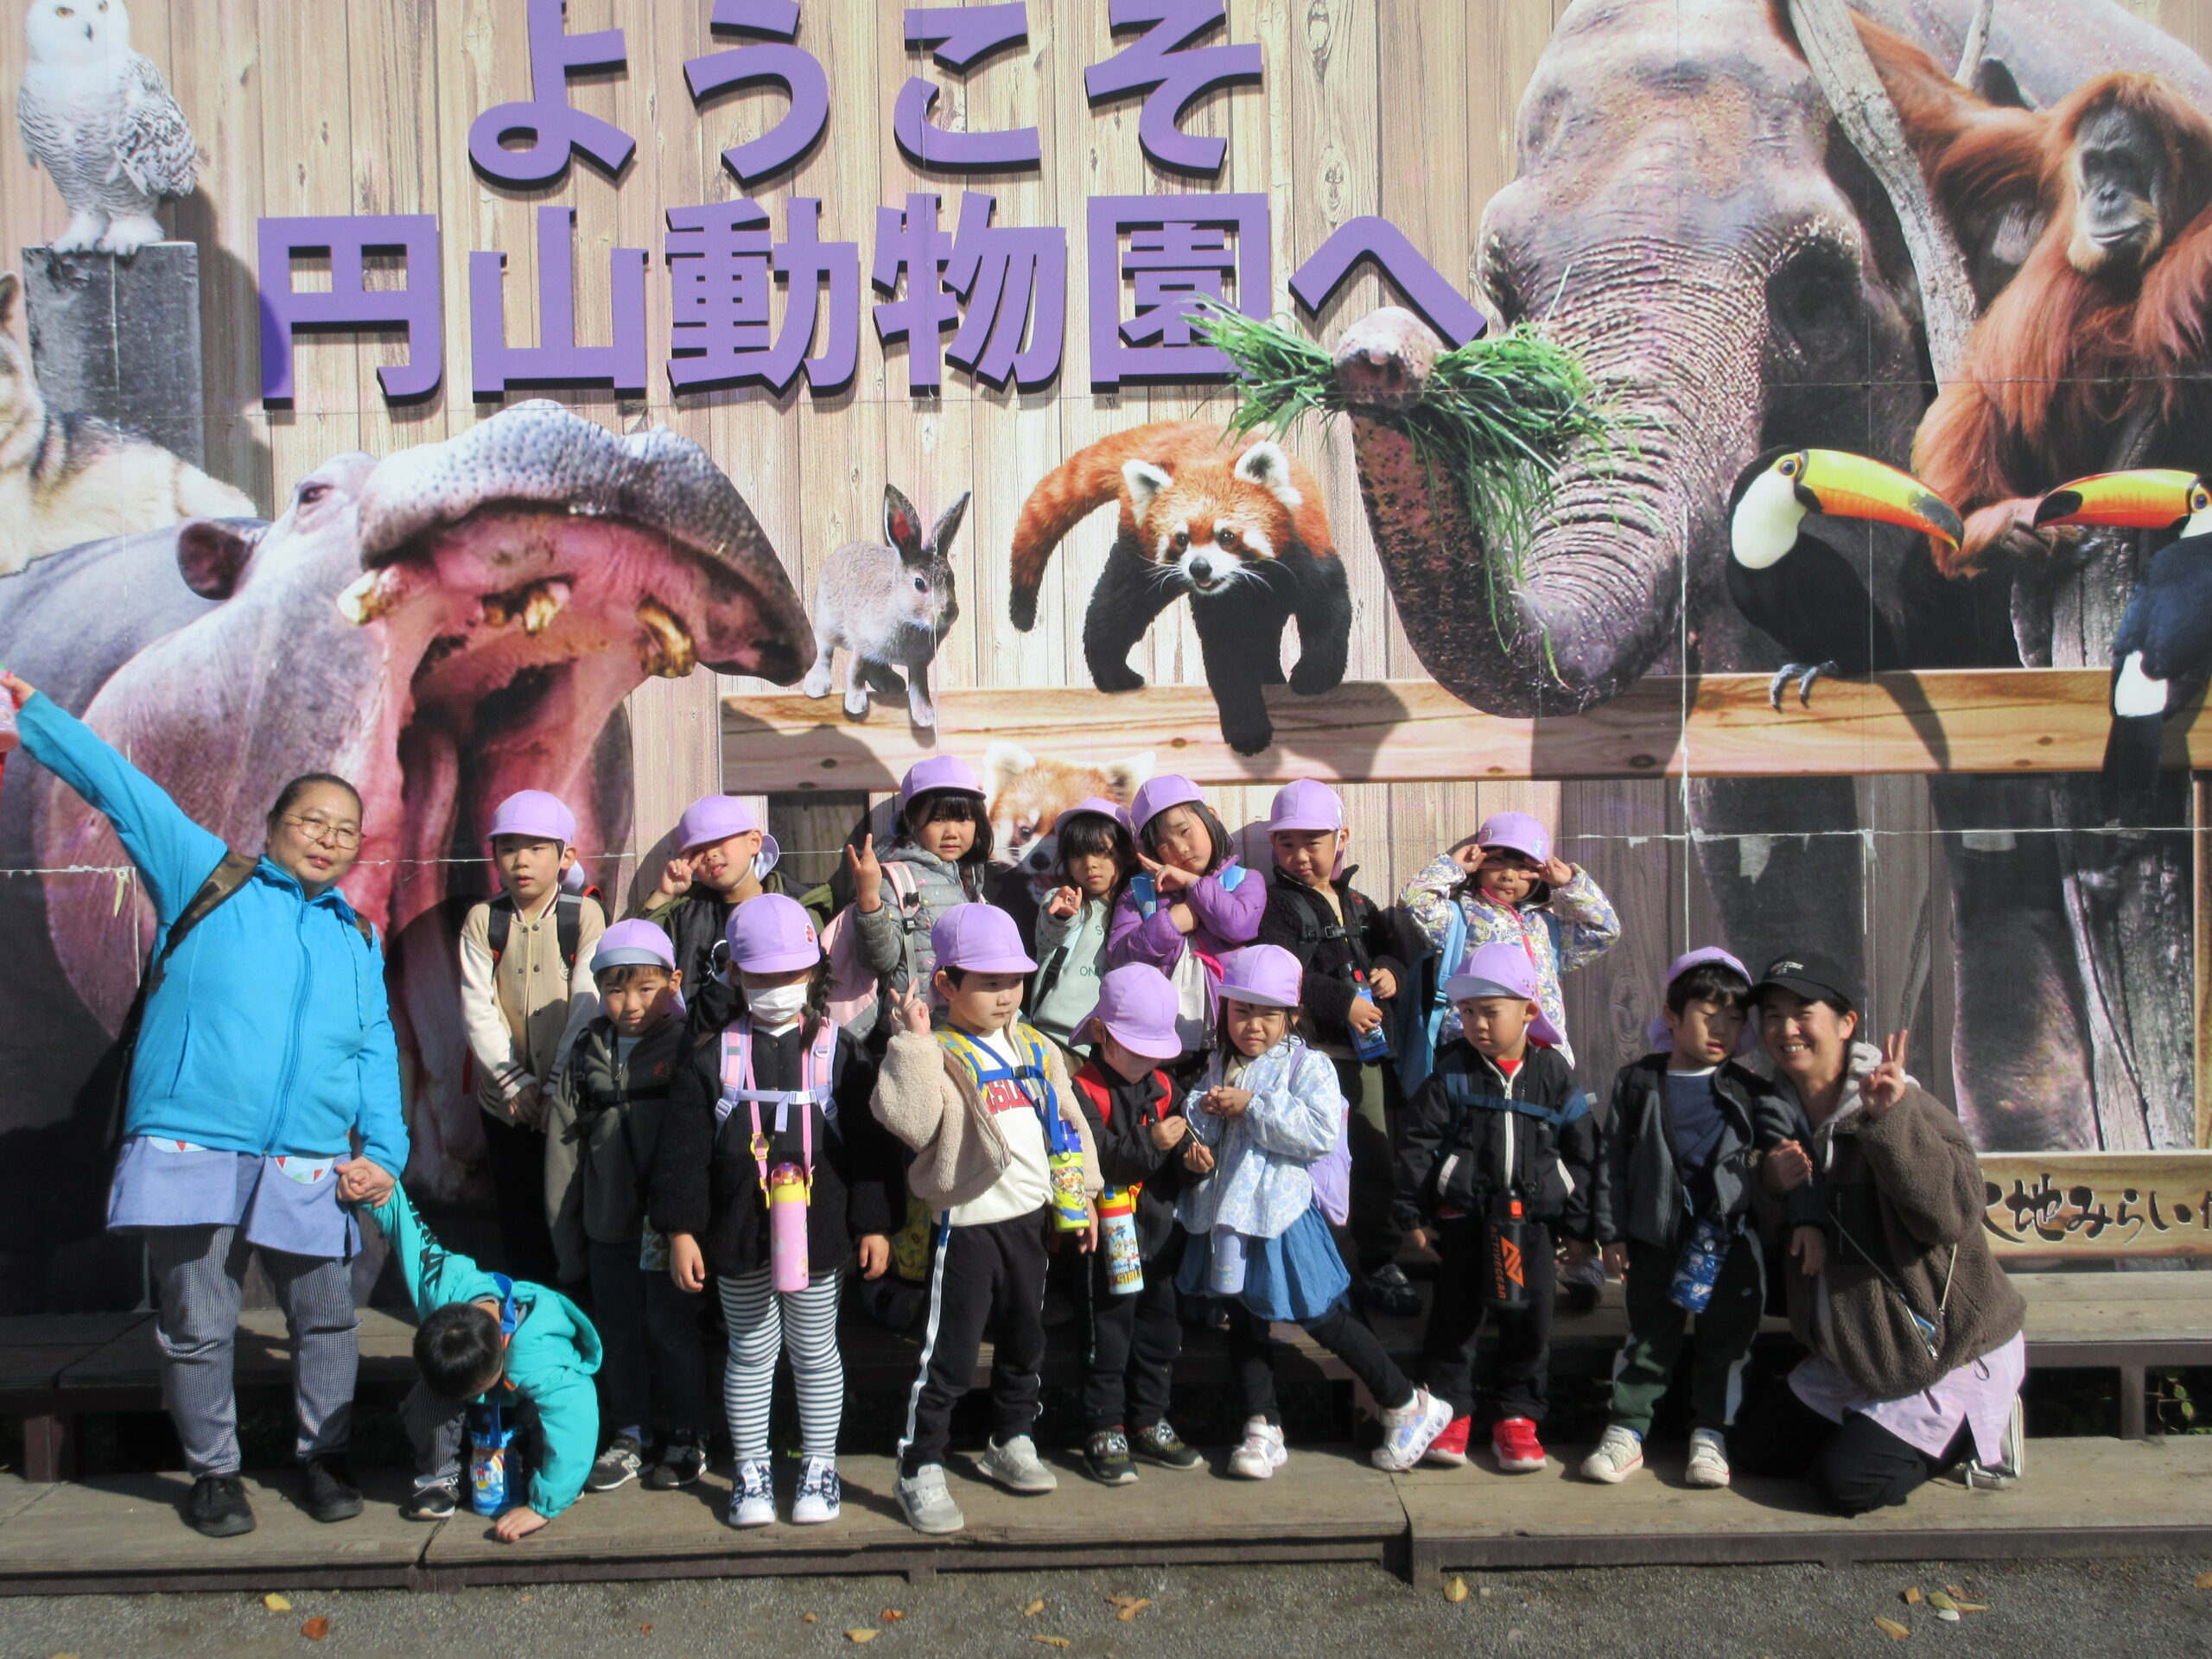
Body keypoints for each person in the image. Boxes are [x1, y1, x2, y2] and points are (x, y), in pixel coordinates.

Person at [1, 670, 404, 1540]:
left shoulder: (355, 935)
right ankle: (216, 1474)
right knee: (195, 1318)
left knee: (326, 1316)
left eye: (345, 831)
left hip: (309, 1153)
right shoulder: (203, 874)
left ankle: (321, 1456)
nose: (329, 841)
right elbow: (121, 785)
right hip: (192, 1141)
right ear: (272, 826)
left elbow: (375, 1045)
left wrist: (389, 1150)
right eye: (311, 823)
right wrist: (33, 715)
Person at [1731, 953, 2028, 1515]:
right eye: (1771, 1015)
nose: (1785, 1028)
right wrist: (1770, 1184)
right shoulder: (1775, 1116)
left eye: (1802, 1011)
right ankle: (1875, 1422)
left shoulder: (1901, 1102)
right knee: (1755, 1449)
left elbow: (1950, 1218)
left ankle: (1979, 1427)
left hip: (1947, 1346)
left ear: (1846, 1023)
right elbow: (1781, 1246)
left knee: (1845, 1485)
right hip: (1860, 1346)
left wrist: (1892, 1127)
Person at [653, 895, 899, 1529]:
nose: (775, 989)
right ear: (733, 973)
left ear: (814, 973)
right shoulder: (712, 1057)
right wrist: (681, 1231)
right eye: (759, 976)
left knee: (816, 1352)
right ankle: (752, 1469)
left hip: (820, 1236)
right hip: (735, 1237)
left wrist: (873, 1222)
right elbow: (680, 1156)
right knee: (750, 1352)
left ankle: (820, 1465)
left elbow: (870, 1147)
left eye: (789, 975)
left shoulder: (837, 1050)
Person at [1177, 944, 1453, 1481]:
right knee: (1246, 1317)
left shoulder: (1310, 1065)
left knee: (1320, 1313)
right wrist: (1198, 1133)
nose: (1252, 1025)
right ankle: (1262, 1425)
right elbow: (1199, 1123)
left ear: (1292, 1017)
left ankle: (1405, 1402)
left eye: (1267, 1014)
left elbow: (1320, 1132)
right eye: (1241, 1011)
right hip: (1228, 1219)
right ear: (1224, 1010)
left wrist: (1252, 1106)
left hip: (1281, 1217)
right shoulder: (1215, 1063)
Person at [870, 904, 1103, 1535]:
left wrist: (1081, 1198)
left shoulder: (1034, 1044)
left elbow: (1071, 1124)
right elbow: (911, 1121)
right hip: (965, 1228)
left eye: (1015, 980)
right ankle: (918, 1467)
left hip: (1031, 1223)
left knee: (1026, 1341)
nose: (1005, 995)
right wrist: (913, 1042)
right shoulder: (939, 1050)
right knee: (947, 1358)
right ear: (947, 984)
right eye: (988, 982)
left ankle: (1012, 1439)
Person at [1582, 950, 1812, 1489]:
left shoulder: (1751, 1092)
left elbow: (1791, 1153)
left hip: (1729, 1241)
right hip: (1653, 1239)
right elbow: (1612, 1159)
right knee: (1647, 1338)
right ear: (1671, 1016)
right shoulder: (1639, 1082)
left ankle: (1711, 1434)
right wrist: (1609, 1232)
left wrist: (1804, 1211)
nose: (1722, 1030)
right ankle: (1627, 1430)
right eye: (1709, 1016)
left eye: (1735, 1020)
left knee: (1726, 1343)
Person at [1400, 809, 1618, 1309]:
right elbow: (1415, 900)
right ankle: (1476, 1258)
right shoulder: (1462, 913)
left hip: (1542, 1061)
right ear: (1479, 864)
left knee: (1555, 1156)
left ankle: (1577, 1258)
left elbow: (1605, 931)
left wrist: (1572, 884)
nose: (1511, 875)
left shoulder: (1548, 926)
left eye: (1525, 867)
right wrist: (1453, 865)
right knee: (1486, 1157)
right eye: (1499, 862)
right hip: (1474, 1060)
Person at [1394, 942, 1596, 1475]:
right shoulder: (1452, 1071)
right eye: (1467, 1011)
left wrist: (1579, 1229)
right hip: (1462, 1224)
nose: (1477, 1023)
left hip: (1534, 1229)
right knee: (1455, 1319)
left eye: (1490, 1011)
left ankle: (1518, 1417)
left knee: (1531, 1323)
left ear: (1529, 1010)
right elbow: (1416, 1144)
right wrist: (1411, 1217)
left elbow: (1584, 1153)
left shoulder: (1553, 1074)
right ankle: (1450, 1410)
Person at [543, 918, 711, 1497]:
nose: (632, 1003)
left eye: (646, 988)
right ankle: (630, 1434)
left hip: (671, 1229)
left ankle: (687, 1433)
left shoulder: (693, 1048)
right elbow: (561, 1158)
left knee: (671, 1327)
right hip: (608, 1223)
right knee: (616, 1330)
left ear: (675, 981)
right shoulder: (587, 1053)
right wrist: (569, 1246)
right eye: (615, 988)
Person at [1256, 779, 1415, 1319]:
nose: (1299, 856)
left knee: (1372, 1155)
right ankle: (1319, 1263)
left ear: (1341, 837)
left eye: (1313, 842)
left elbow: (1393, 953)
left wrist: (1390, 974)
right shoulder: (1275, 906)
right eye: (1286, 843)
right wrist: (1341, 1000)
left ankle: (1376, 1258)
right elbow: (1282, 972)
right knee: (1312, 1161)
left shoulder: (1360, 903)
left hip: (1365, 1060)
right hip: (1312, 1058)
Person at [361, 1181, 599, 1541]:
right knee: (427, 1399)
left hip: (523, 1401)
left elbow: (576, 1420)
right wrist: (378, 1186)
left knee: (545, 1420)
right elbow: (409, 1232)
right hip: (478, 1392)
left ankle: (543, 1471)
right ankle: (439, 1475)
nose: (471, 1399)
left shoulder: (539, 1357)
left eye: (477, 1391)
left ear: (503, 1342)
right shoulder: (443, 1287)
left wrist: (545, 1505)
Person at [1064, 963, 1203, 1485]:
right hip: (1106, 1241)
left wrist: (1190, 1158)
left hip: (1158, 1235)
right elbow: (1097, 1160)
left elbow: (1183, 1142)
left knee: (1161, 1334)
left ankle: (1150, 1418)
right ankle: (1104, 1425)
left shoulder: (1164, 1085)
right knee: (1108, 1334)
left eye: (1155, 1050)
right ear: (1100, 1033)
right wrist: (1156, 1144)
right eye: (1136, 1047)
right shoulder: (1082, 1089)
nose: (1147, 1060)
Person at [459, 789, 606, 1281]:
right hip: (504, 1102)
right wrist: (515, 1084)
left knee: (566, 1208)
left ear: (566, 856)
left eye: (538, 847)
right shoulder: (484, 920)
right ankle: (527, 1315)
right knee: (517, 1212)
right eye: (508, 848)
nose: (521, 861)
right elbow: (477, 1007)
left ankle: (572, 1312)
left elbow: (586, 1003)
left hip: (564, 1098)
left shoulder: (583, 915)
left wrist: (553, 1085)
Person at [1107, 776, 1264, 1061]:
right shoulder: (1139, 892)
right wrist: (1172, 922)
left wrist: (1193, 884)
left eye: (1185, 831)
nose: (1180, 848)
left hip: (1227, 1038)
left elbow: (1240, 925)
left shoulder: (1244, 879)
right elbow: (1119, 958)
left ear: (1212, 818)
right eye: (1164, 844)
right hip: (1157, 1041)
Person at [848, 756, 994, 1039]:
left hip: (963, 1025)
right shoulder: (898, 876)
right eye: (938, 819)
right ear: (911, 821)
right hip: (917, 1028)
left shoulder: (971, 876)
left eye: (963, 818)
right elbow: (879, 960)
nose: (952, 832)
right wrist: (868, 896)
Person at [641, 793, 779, 1033]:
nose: (710, 855)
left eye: (720, 841)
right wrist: (664, 897)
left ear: (754, 841)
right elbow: (638, 955)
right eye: (698, 850)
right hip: (702, 1046)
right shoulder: (686, 913)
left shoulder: (791, 903)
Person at [1028, 798, 1138, 1069]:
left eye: (1102, 851)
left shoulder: (1137, 909)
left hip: (1116, 1050)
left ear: (1125, 853)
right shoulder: (1062, 899)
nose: (1089, 864)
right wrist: (1061, 917)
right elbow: (1046, 939)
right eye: (1077, 854)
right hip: (1056, 1039)